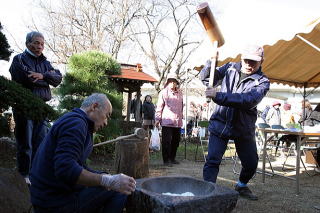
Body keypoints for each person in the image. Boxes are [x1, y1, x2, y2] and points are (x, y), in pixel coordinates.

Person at [30, 93, 135, 213]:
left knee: (112, 184)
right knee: (119, 190)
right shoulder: (76, 124)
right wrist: (108, 181)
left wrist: (106, 176)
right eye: (106, 116)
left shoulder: (76, 121)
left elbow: (78, 166)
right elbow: (65, 169)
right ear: (94, 107)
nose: (106, 123)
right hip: (53, 202)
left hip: (48, 197)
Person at [200, 44, 270, 200]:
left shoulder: (263, 81)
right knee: (212, 160)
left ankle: (241, 185)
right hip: (220, 123)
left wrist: (218, 96)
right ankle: (207, 192)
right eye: (246, 60)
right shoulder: (230, 68)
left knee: (251, 164)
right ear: (241, 57)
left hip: (243, 127)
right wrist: (212, 61)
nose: (249, 65)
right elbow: (206, 78)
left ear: (262, 61)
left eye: (254, 61)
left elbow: (248, 100)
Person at [9, 31, 62, 184]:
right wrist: (46, 78)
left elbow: (58, 78)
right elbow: (27, 78)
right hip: (24, 107)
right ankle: (24, 175)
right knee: (25, 143)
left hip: (41, 107)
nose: (40, 46)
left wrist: (43, 76)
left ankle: (36, 175)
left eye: (42, 44)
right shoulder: (19, 59)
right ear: (28, 44)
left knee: (40, 143)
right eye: (37, 43)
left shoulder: (45, 62)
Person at [155, 73, 183, 166]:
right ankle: (166, 160)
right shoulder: (163, 92)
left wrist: (181, 117)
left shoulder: (180, 93)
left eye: (174, 81)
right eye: (170, 81)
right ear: (168, 82)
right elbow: (159, 106)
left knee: (176, 140)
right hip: (167, 121)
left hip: (177, 122)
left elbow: (181, 107)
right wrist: (157, 119)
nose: (172, 83)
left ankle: (172, 158)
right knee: (166, 141)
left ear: (176, 83)